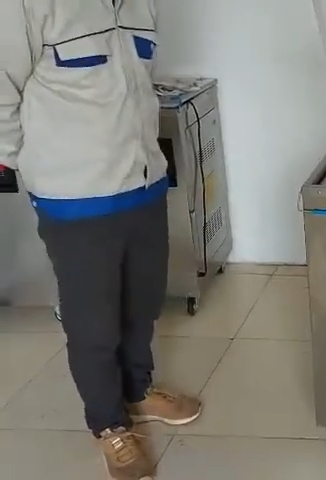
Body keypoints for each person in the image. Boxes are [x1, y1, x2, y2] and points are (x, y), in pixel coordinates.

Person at [0, 2, 201, 479]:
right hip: (75, 195)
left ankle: (137, 392)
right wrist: (25, 160)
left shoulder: (140, 4)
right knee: (93, 321)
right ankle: (109, 425)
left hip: (144, 184)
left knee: (142, 302)